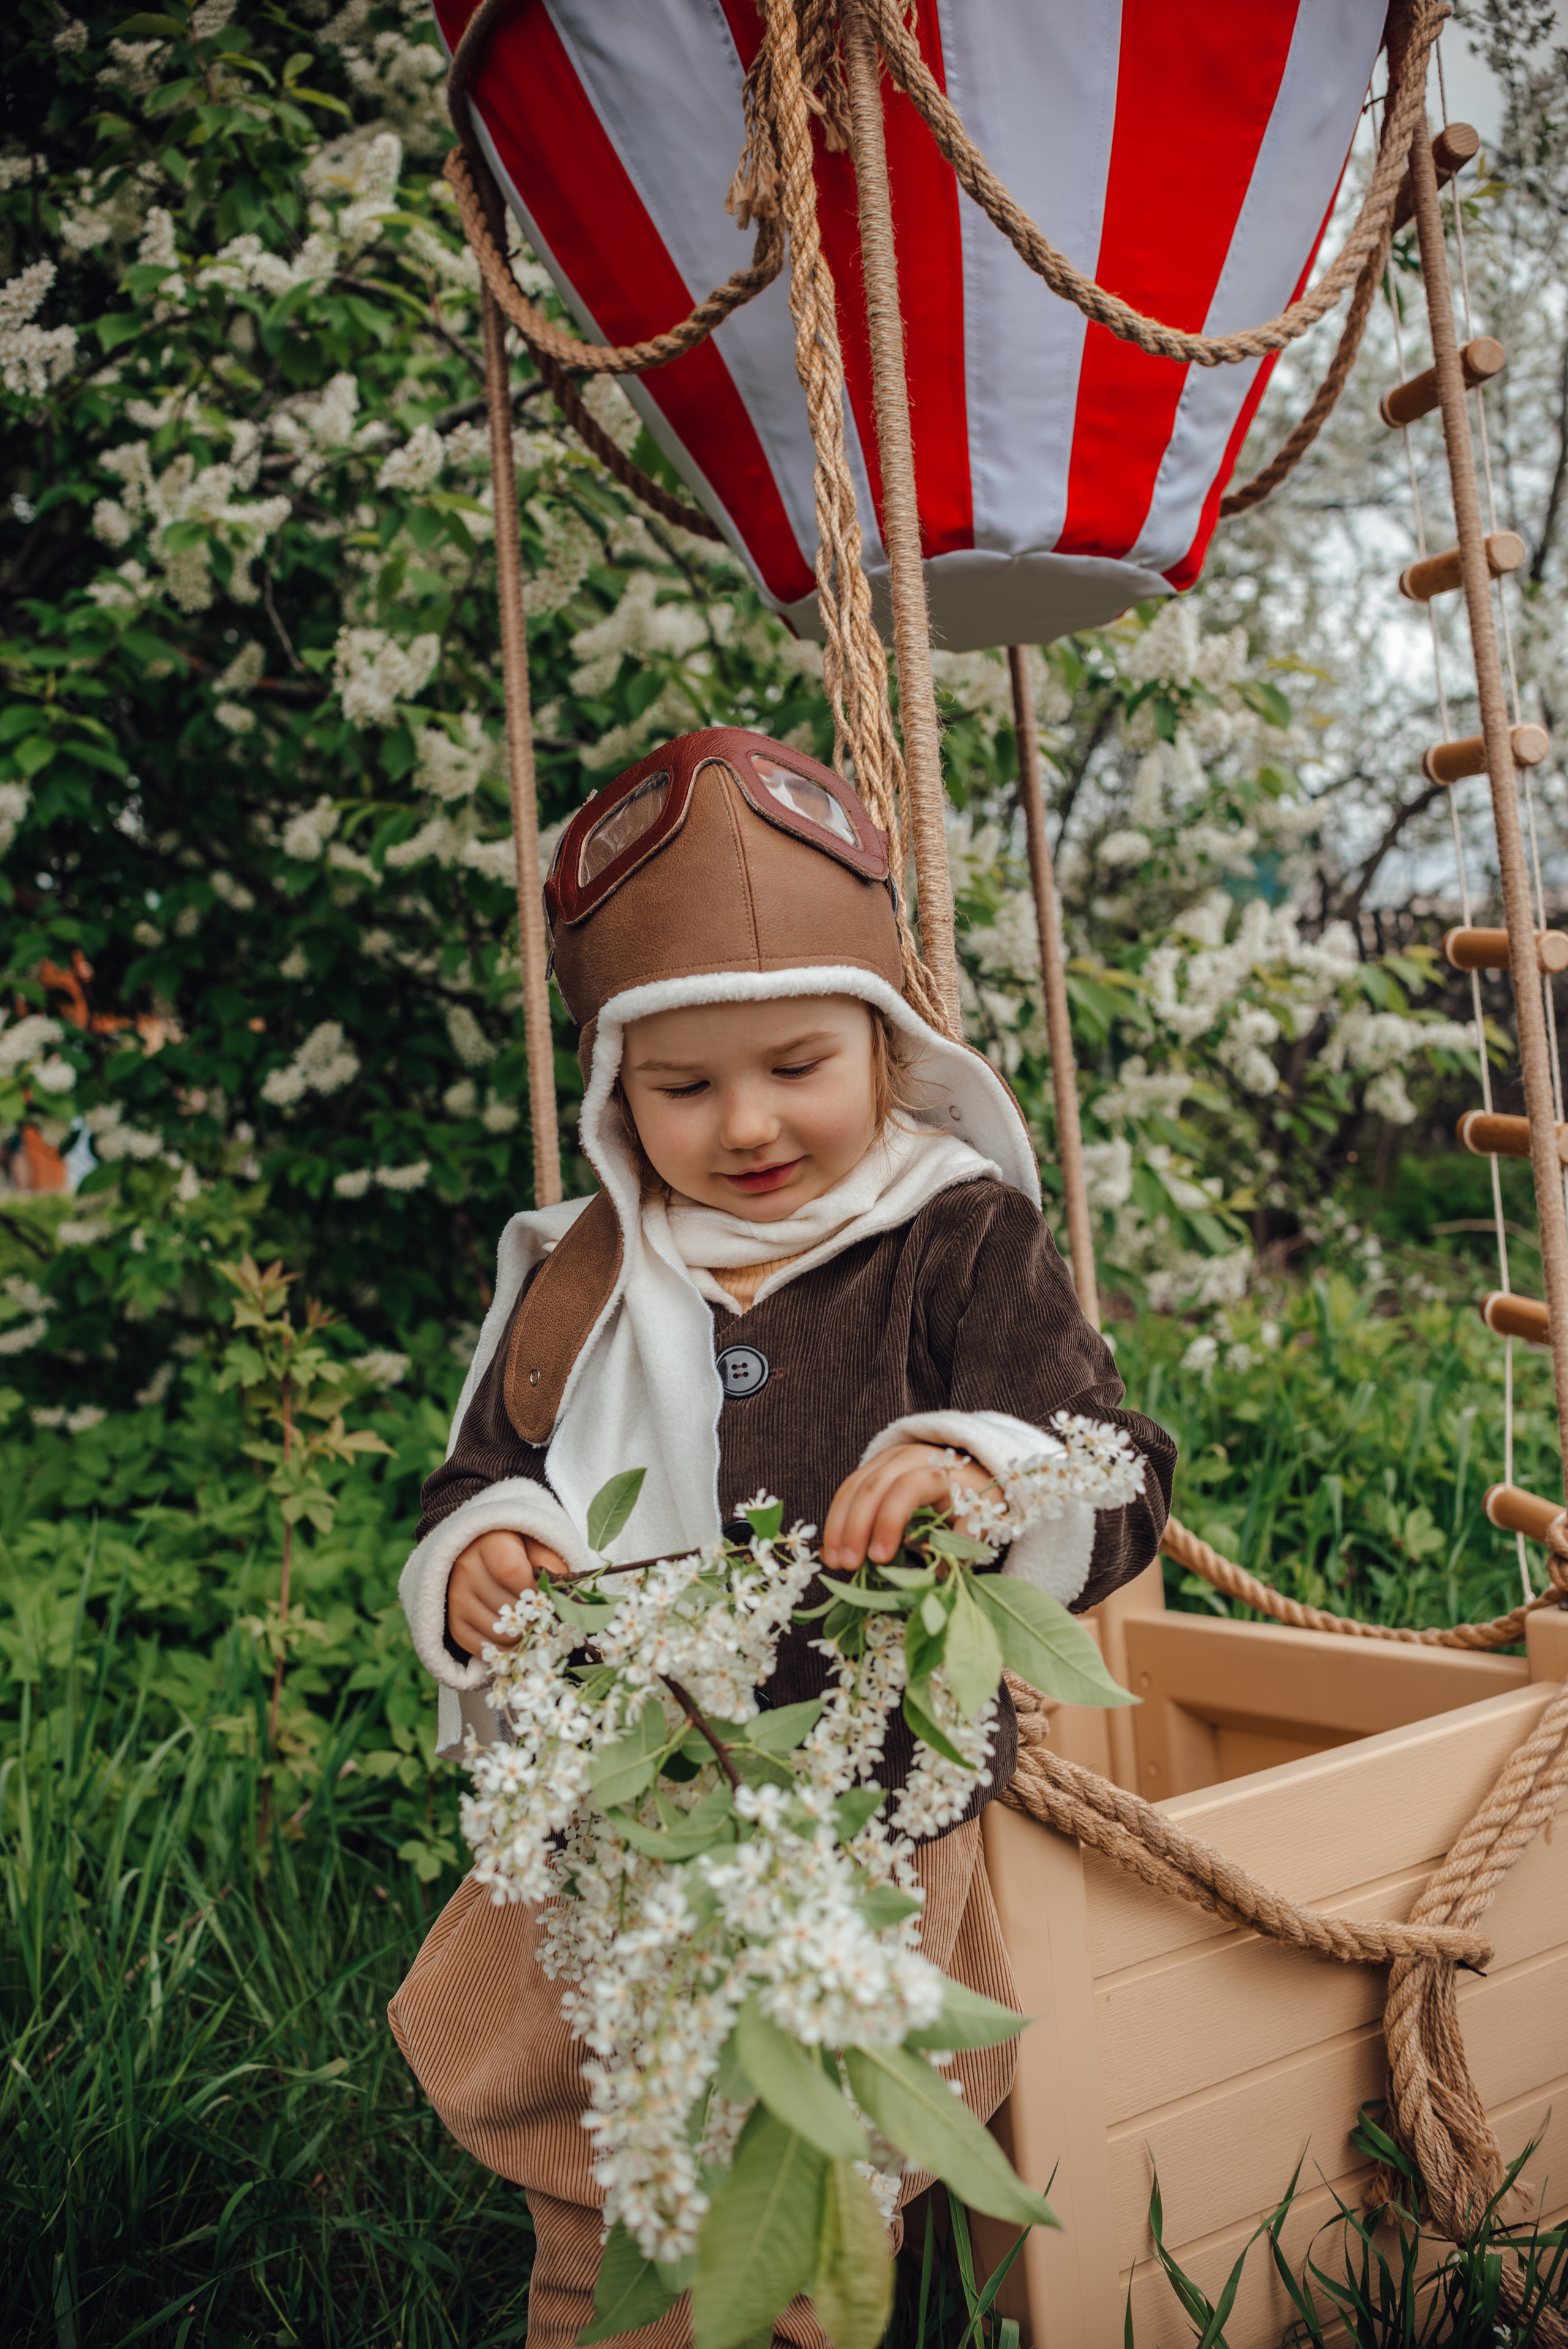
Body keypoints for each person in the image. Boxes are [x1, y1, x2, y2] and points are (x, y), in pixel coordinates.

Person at [389, 727, 1175, 2349]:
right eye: (685, 1085)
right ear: (621, 1090)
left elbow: (1118, 1472)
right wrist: (486, 1556)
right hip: (633, 1817)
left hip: (866, 1810)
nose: (746, 1123)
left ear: (884, 1045)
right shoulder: (583, 1276)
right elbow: (484, 1477)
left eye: (797, 1065)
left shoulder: (954, 1234)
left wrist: (980, 1473)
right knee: (605, 2149)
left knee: (820, 2157)